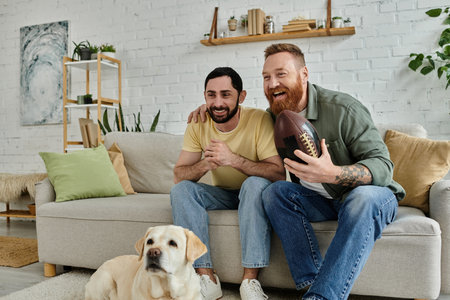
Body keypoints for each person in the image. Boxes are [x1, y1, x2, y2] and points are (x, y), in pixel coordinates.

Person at [189, 44, 405, 300]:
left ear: (304, 74)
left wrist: (333, 173)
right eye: (266, 77)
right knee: (275, 192)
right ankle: (310, 283)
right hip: (321, 201)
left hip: (370, 198)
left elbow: (383, 166)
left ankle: (322, 297)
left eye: (281, 74)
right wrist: (212, 110)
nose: (272, 83)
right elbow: (238, 116)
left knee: (363, 198)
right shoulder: (273, 117)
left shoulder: (343, 109)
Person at [170, 67, 285, 300]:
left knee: (253, 184)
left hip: (254, 193)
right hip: (222, 194)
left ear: (241, 97)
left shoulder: (259, 119)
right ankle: (206, 278)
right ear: (204, 97)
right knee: (182, 190)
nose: (218, 102)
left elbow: (278, 174)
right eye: (211, 95)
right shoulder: (198, 123)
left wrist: (232, 160)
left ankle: (250, 282)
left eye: (226, 94)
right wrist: (207, 164)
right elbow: (179, 175)